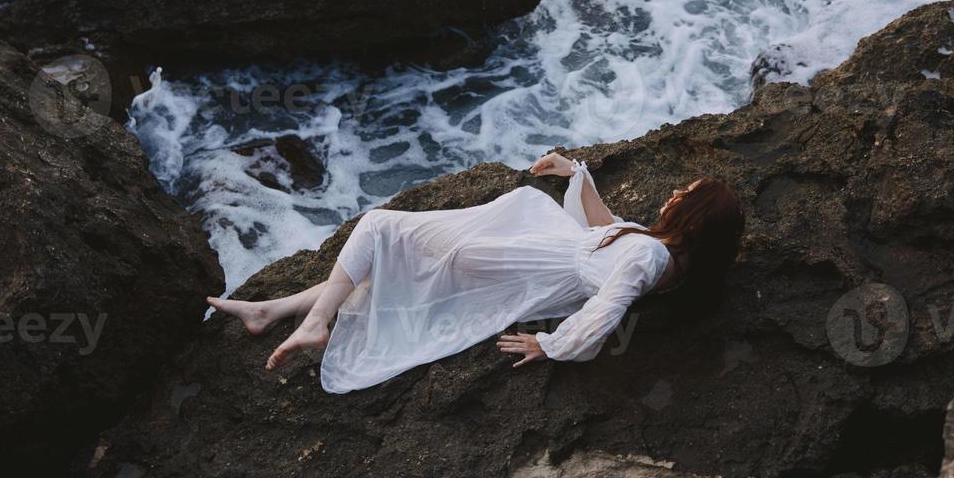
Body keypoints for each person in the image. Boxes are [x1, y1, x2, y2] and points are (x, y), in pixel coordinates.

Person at [208, 152, 745, 393]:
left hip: (521, 258)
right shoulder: (671, 258)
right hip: (546, 250)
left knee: (378, 228)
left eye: (689, 196)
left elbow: (607, 310)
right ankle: (268, 310)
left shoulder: (649, 257)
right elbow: (608, 231)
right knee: (381, 269)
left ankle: (314, 323)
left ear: (695, 218)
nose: (677, 193)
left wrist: (551, 344)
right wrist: (575, 173)